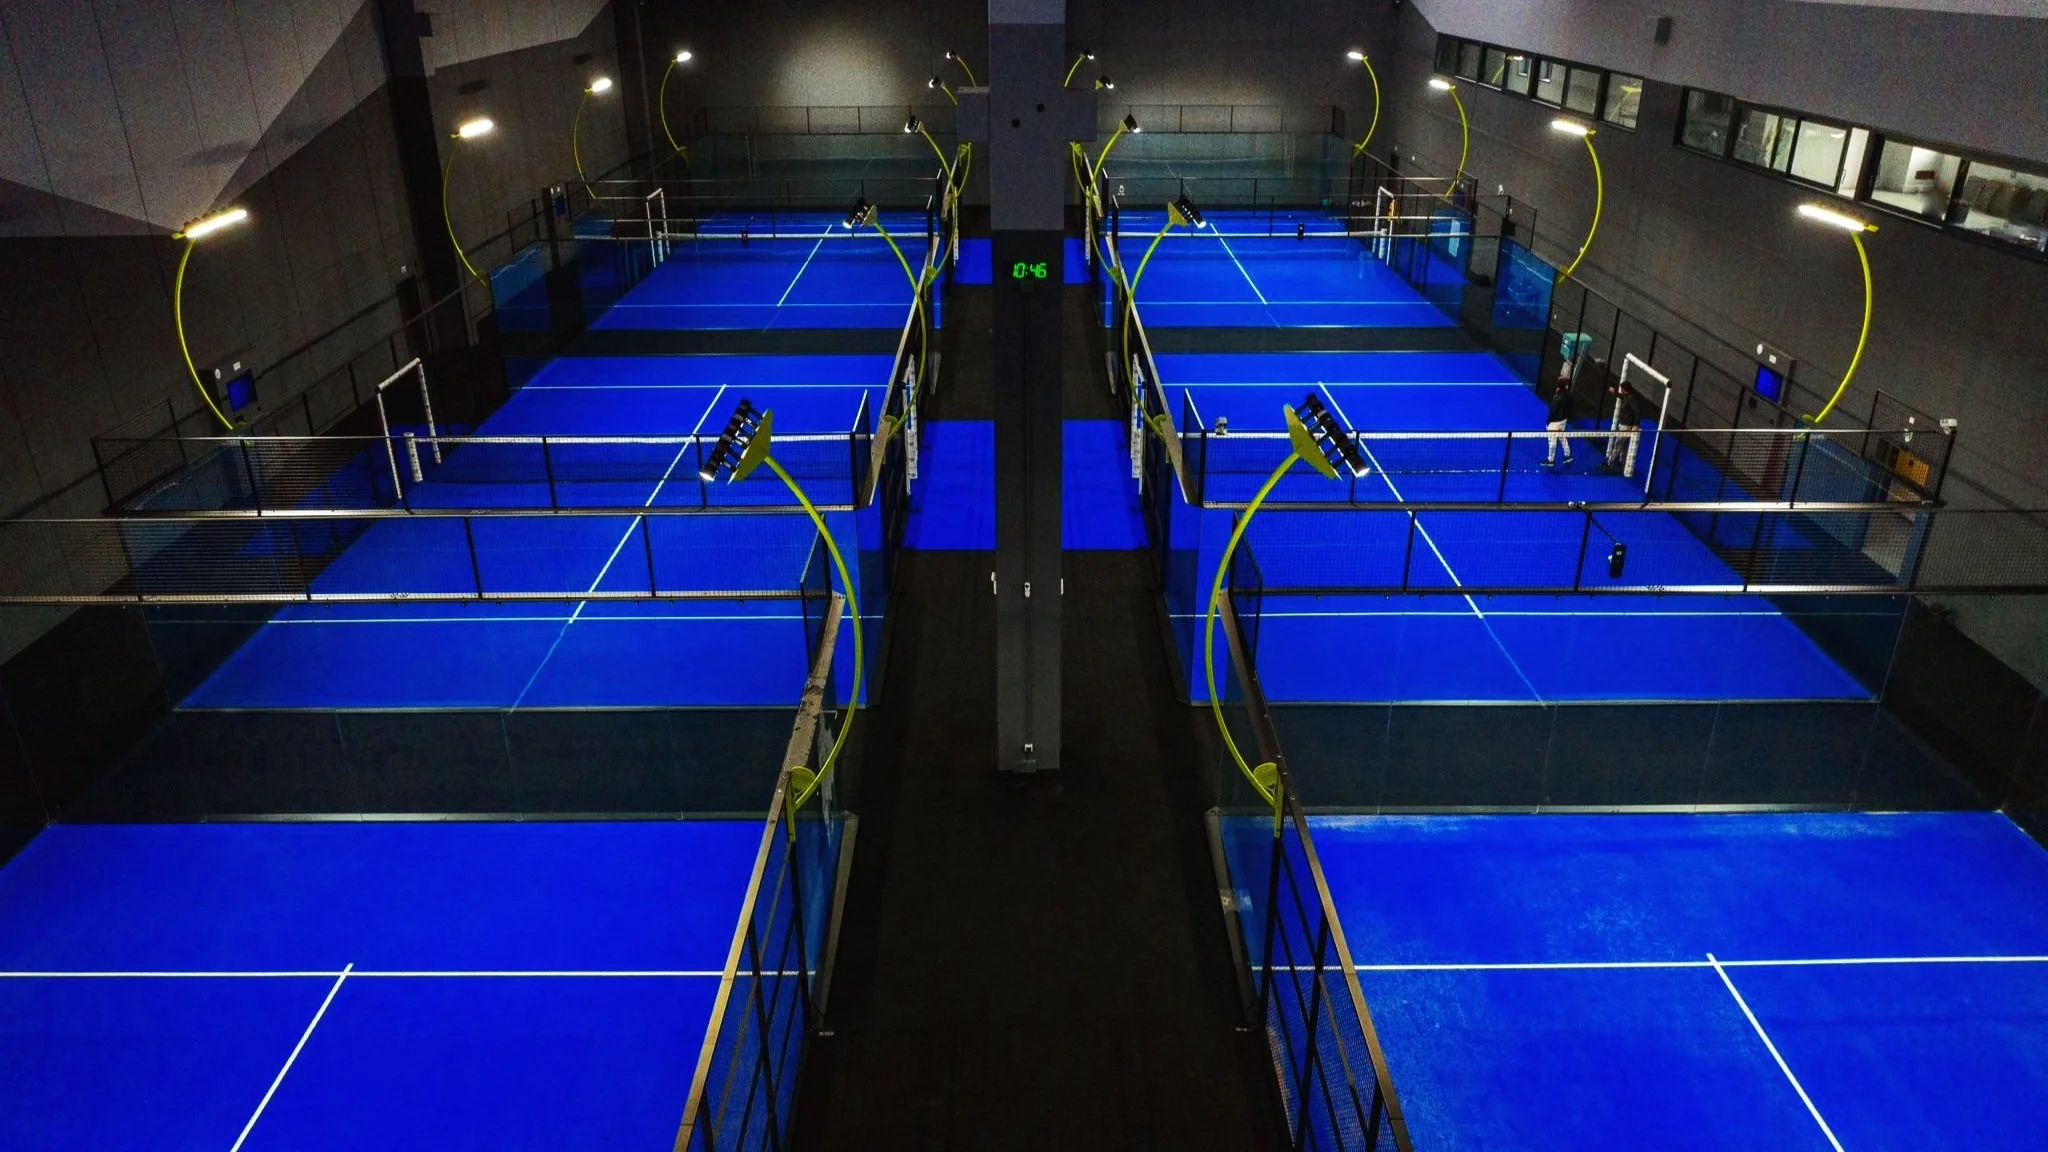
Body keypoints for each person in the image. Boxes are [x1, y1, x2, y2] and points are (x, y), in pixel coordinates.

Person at [1605, 379, 1643, 474]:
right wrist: (1615, 393)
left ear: (1625, 389)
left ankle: (1610, 463)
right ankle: (1621, 462)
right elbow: (1623, 397)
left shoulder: (1631, 399)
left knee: (1618, 444)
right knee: (1622, 445)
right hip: (1623, 424)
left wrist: (1636, 425)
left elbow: (1637, 411)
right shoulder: (1628, 397)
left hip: (1626, 426)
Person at [1544, 378, 1575, 467]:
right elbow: (1572, 403)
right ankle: (1568, 455)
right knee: (1562, 438)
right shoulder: (1568, 396)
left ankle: (1550, 460)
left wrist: (1548, 422)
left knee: (1552, 442)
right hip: (1563, 421)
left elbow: (1553, 411)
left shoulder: (1557, 398)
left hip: (1554, 423)